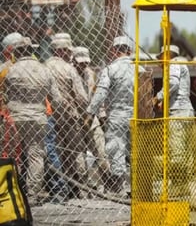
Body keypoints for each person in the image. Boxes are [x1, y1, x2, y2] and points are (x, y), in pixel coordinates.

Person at [3, 35, 62, 205]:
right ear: (32, 50)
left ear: (17, 52)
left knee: (14, 155)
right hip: (38, 117)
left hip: (15, 118)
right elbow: (56, 98)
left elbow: (4, 95)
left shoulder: (11, 70)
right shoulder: (44, 69)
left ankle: (13, 191)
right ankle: (33, 195)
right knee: (36, 155)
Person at [85, 36, 137, 195]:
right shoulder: (139, 68)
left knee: (117, 149)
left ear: (114, 50)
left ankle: (122, 188)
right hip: (137, 115)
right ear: (129, 50)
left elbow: (101, 93)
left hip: (117, 114)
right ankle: (137, 185)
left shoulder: (110, 69)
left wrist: (90, 113)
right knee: (135, 150)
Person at [44, 33, 89, 199]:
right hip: (70, 116)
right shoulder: (68, 69)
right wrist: (86, 111)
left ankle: (58, 188)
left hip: (49, 116)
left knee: (55, 152)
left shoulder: (44, 66)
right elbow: (81, 97)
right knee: (75, 152)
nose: (70, 54)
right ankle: (79, 189)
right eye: (68, 51)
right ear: (62, 51)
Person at [151, 44, 195, 201]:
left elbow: (173, 84)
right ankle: (182, 186)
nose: (160, 62)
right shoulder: (180, 64)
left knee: (176, 153)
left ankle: (178, 187)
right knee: (183, 153)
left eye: (161, 58)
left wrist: (159, 97)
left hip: (178, 114)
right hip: (184, 112)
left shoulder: (174, 63)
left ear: (167, 54)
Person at [72, 46, 109, 192]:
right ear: (74, 60)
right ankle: (83, 186)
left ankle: (107, 183)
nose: (84, 65)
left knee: (101, 152)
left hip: (92, 119)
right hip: (75, 119)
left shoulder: (91, 74)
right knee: (79, 156)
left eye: (85, 62)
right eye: (81, 62)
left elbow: (97, 96)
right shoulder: (70, 73)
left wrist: (102, 116)